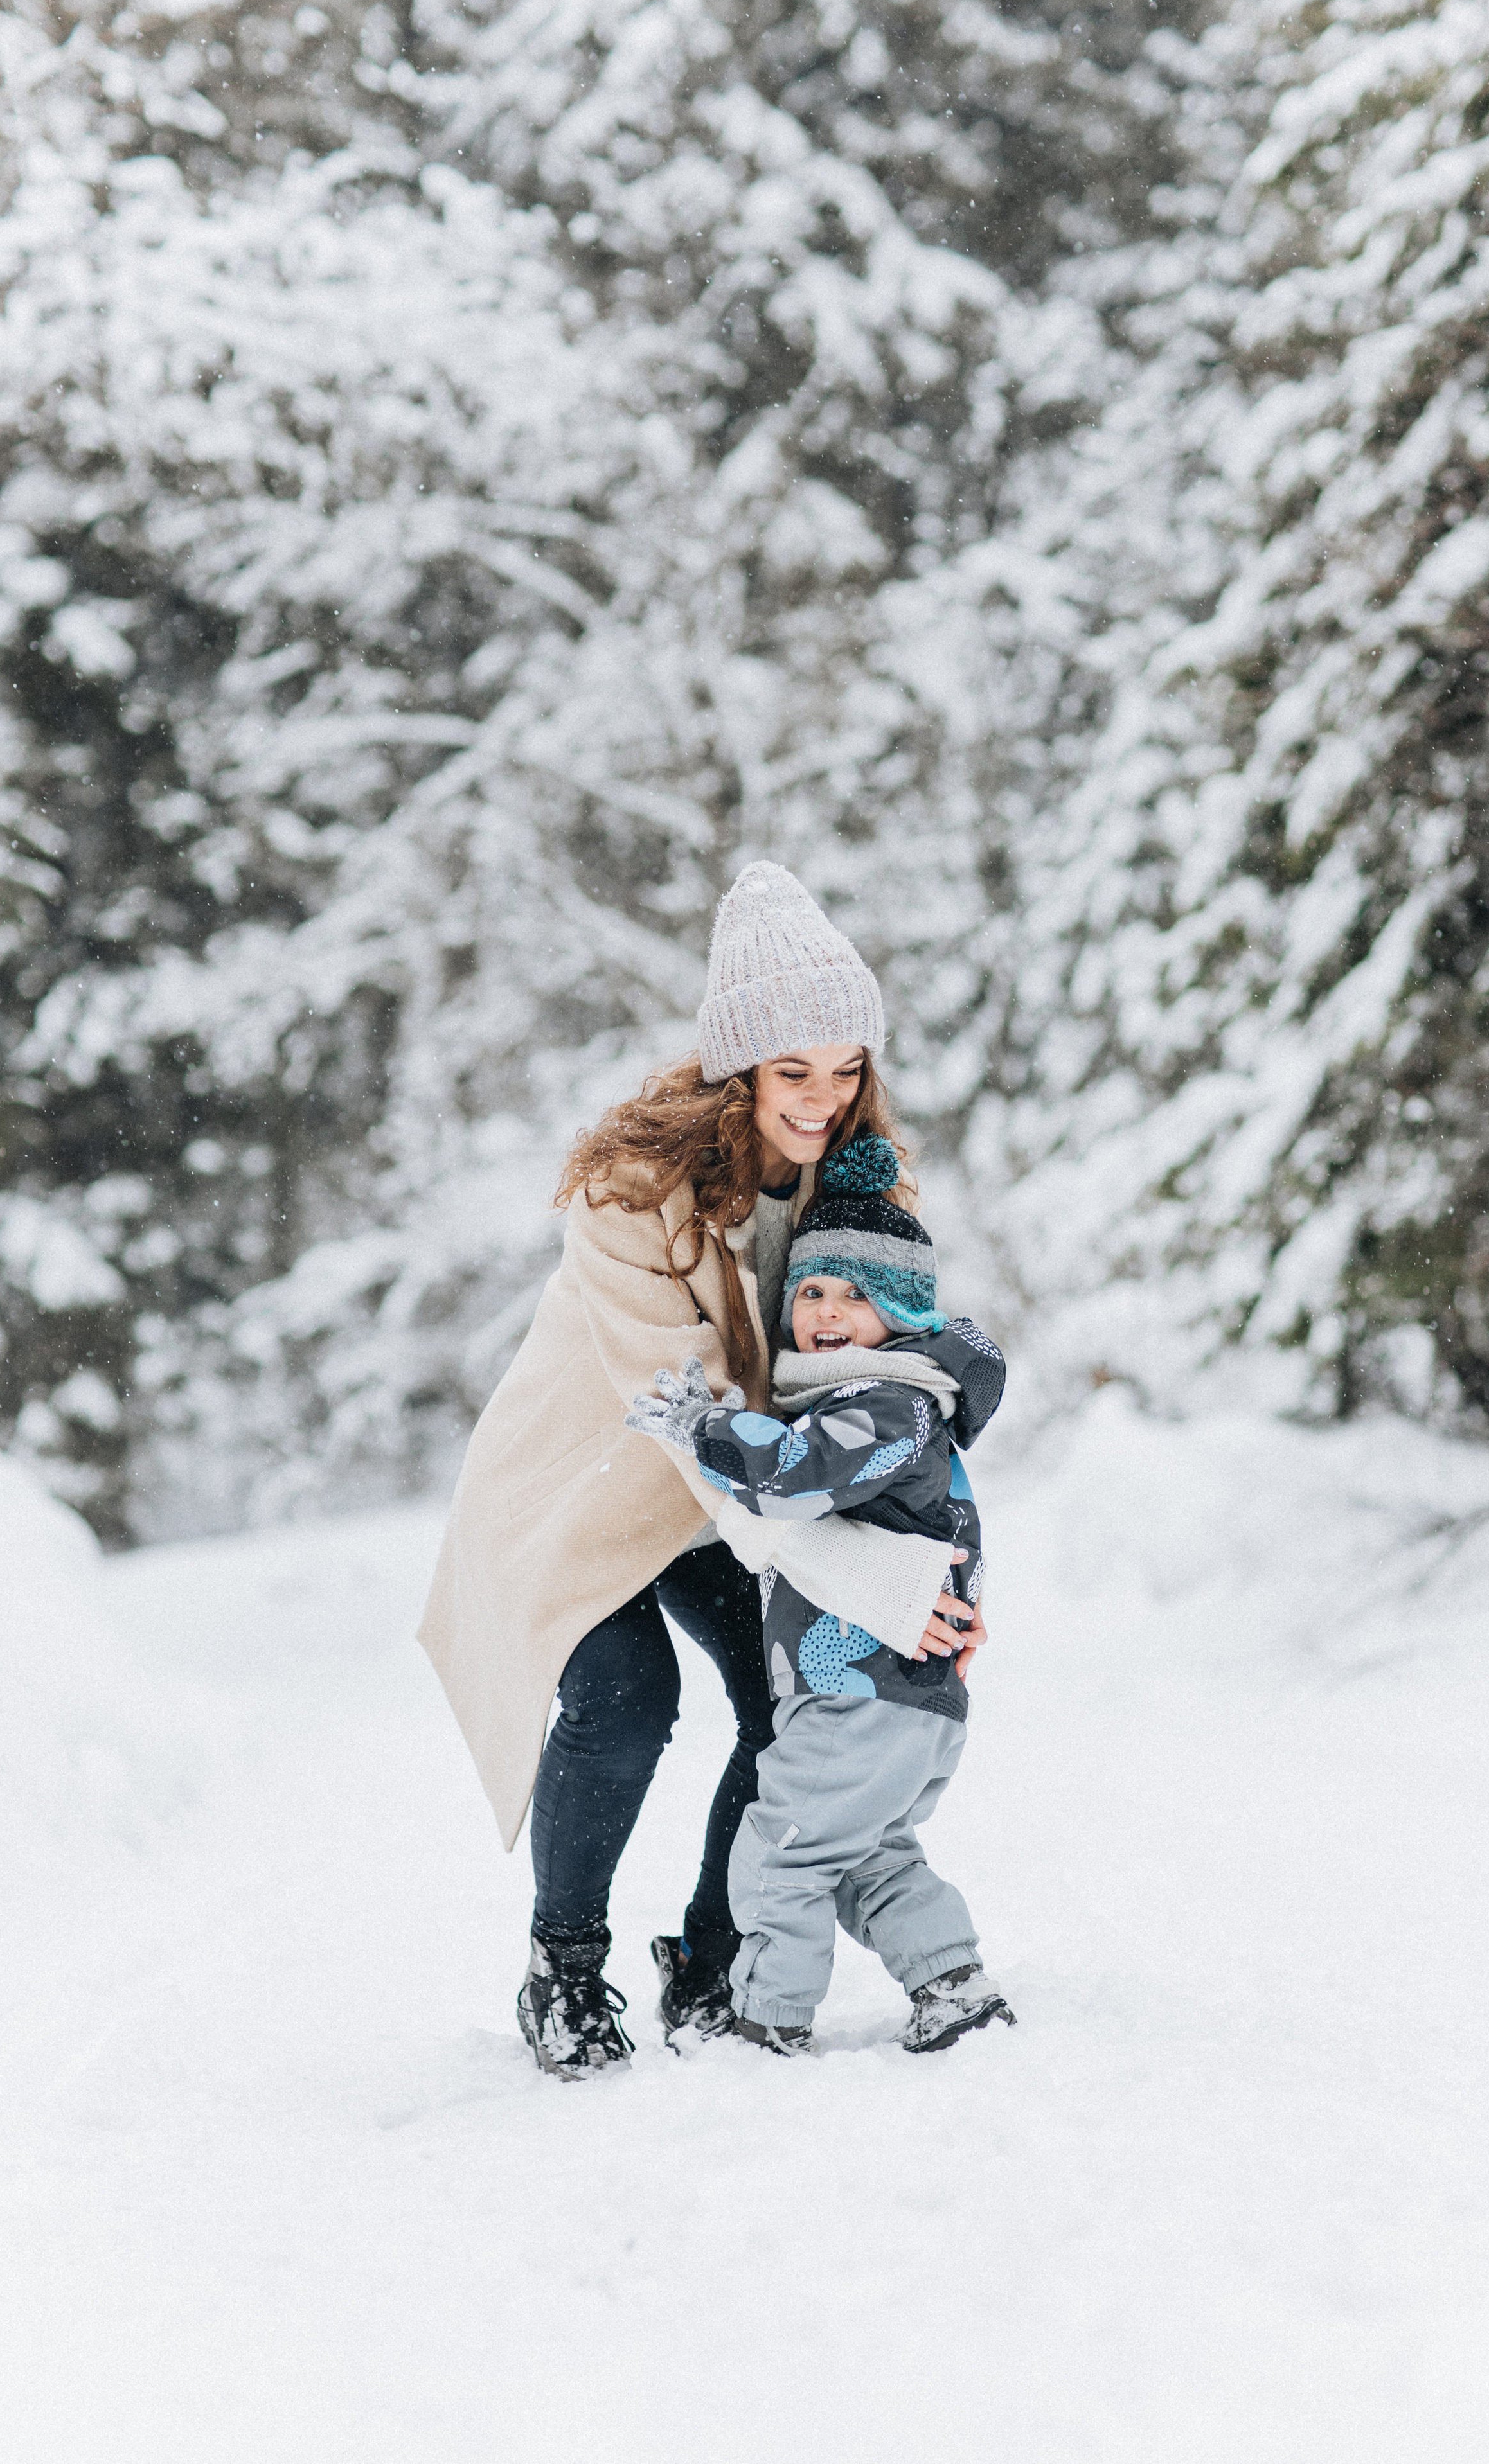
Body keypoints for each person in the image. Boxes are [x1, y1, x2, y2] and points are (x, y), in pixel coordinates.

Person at [417, 863, 985, 2080]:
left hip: (745, 1495)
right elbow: (700, 1424)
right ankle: (564, 1972)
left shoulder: (858, 1180)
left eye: (847, 1069)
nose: (825, 1100)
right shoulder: (637, 1197)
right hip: (596, 1490)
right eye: (794, 1072)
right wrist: (873, 1584)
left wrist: (936, 1562)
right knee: (627, 1706)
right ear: (738, 1070)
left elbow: (892, 1372)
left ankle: (715, 1961)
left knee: (788, 1703)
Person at [627, 1131, 1016, 2055]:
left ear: (905, 1314)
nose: (829, 1314)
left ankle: (764, 2020)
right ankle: (952, 1983)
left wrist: (709, 1429)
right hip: (902, 1700)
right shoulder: (904, 1406)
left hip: (862, 1700)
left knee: (781, 1852)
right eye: (811, 1292)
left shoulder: (886, 1408)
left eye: (857, 1296)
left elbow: (793, 1477)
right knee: (863, 1857)